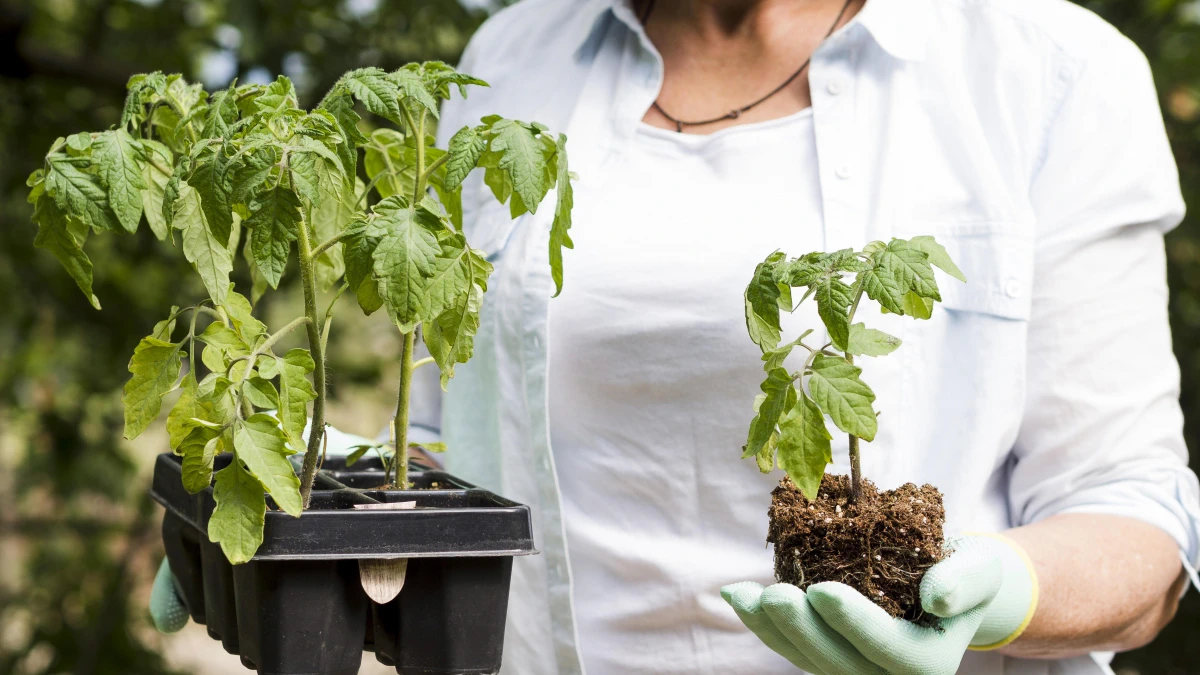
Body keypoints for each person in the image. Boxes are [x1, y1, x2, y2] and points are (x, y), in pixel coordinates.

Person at [153, 0, 1200, 673]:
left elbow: (1139, 532)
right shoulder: (515, 56)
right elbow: (457, 438)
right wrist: (317, 507)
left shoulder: (1044, 70)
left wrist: (997, 588)